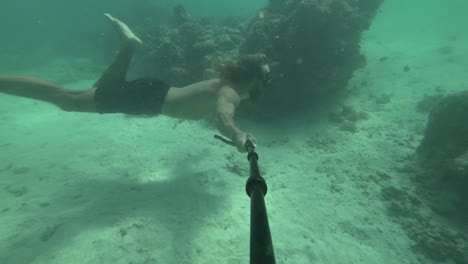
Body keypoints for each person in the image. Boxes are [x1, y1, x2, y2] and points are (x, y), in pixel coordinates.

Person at [0, 14, 271, 152]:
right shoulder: (230, 93)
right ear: (254, 80)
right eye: (265, 79)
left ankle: (128, 47)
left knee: (95, 91)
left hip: (152, 92)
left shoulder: (223, 82)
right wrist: (238, 135)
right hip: (147, 99)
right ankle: (128, 47)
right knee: (65, 99)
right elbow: (224, 117)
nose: (265, 86)